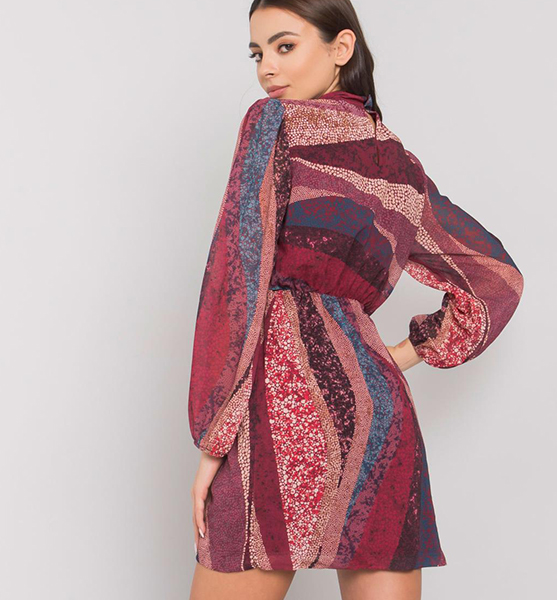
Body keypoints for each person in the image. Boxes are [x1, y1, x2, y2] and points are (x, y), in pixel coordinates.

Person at [188, 1, 524, 599]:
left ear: (341, 48)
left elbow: (236, 280)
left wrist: (214, 435)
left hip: (278, 408)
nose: (267, 68)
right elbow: (495, 279)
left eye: (285, 46)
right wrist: (389, 358)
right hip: (377, 416)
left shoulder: (272, 123)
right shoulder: (397, 163)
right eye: (257, 53)